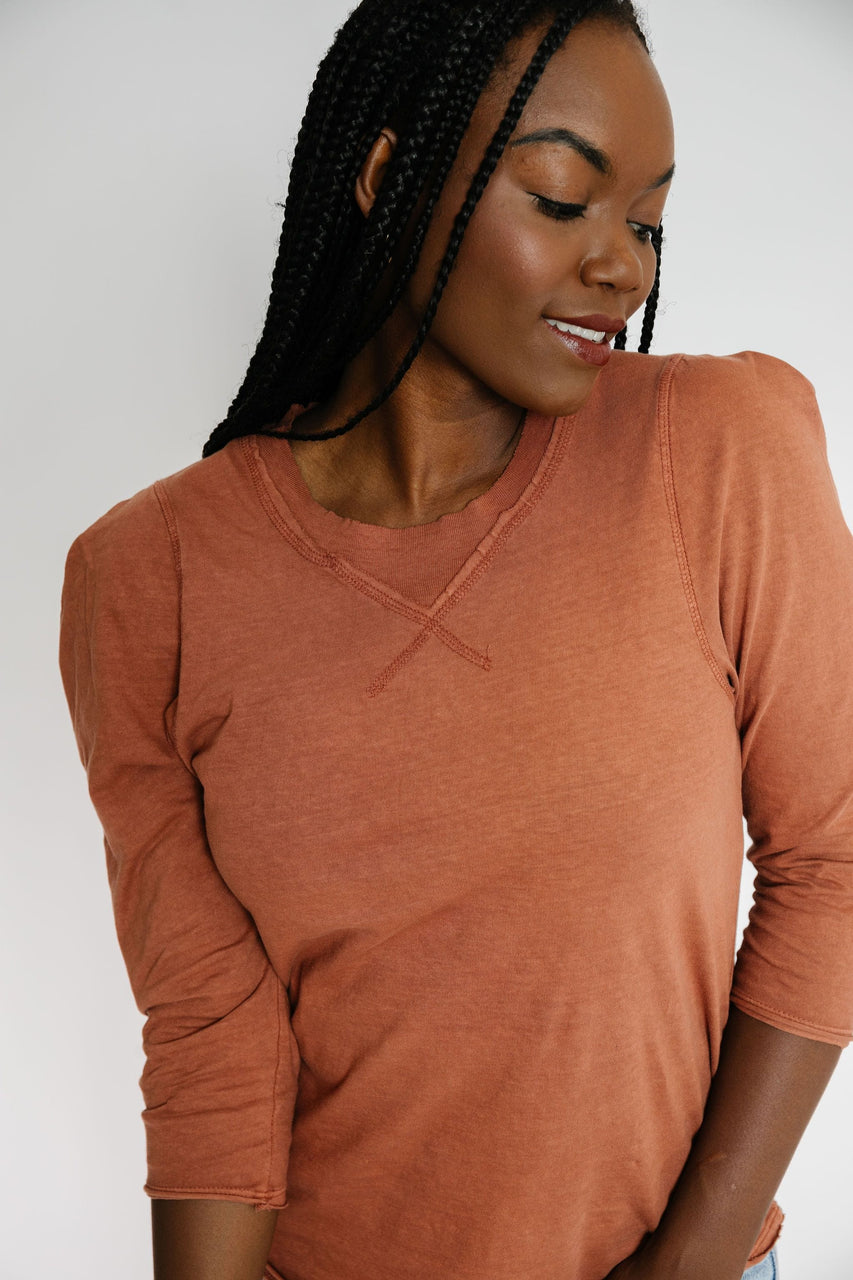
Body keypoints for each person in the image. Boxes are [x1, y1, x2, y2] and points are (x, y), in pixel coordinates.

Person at [58, 1, 853, 1278]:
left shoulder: (717, 451)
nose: (626, 267)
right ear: (390, 175)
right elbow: (212, 1022)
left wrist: (689, 1263)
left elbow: (833, 862)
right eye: (563, 200)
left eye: (647, 222)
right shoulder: (148, 576)